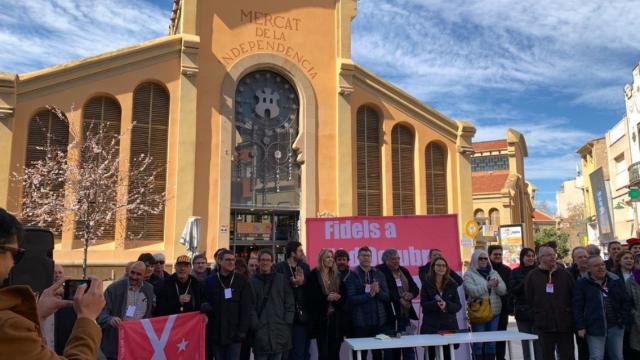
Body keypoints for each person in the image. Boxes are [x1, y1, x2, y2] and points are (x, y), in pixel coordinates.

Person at [0, 208, 106, 359]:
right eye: (16, 254)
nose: (13, 264)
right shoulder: (8, 326)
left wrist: (38, 314)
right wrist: (87, 318)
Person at [574, 255, 631, 360]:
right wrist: (580, 326)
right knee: (596, 357)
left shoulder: (615, 279)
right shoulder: (582, 283)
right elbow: (578, 306)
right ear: (589, 268)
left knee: (618, 356)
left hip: (616, 326)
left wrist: (623, 319)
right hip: (595, 327)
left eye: (602, 264)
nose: (601, 267)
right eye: (596, 266)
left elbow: (626, 301)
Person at [524, 246, 575, 360]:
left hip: (564, 323)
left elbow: (573, 295)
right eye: (549, 255)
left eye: (554, 254)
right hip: (544, 324)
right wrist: (537, 315)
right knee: (546, 355)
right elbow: (529, 297)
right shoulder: (532, 276)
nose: (553, 257)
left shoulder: (565, 274)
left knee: (567, 355)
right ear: (541, 258)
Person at [98, 261, 155, 360]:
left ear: (144, 275)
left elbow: (150, 315)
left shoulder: (149, 289)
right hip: (116, 343)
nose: (134, 276)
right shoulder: (114, 289)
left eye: (138, 274)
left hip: (138, 342)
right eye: (132, 272)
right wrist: (110, 319)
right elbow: (100, 313)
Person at [203, 250, 253, 360]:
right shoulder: (210, 280)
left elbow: (246, 307)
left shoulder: (242, 280)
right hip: (216, 333)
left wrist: (242, 331)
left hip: (235, 334)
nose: (231, 262)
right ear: (220, 261)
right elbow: (204, 301)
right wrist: (205, 307)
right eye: (227, 260)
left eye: (233, 260)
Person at [345, 246, 390, 360]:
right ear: (358, 257)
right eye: (363, 255)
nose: (366, 258)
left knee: (378, 354)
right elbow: (351, 299)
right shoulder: (352, 275)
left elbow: (386, 297)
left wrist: (378, 292)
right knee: (360, 354)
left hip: (378, 321)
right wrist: (369, 295)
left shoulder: (379, 274)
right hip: (360, 322)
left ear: (371, 258)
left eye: (368, 256)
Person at [250, 249, 294, 360]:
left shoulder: (281, 279)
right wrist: (255, 325)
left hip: (279, 330)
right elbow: (249, 307)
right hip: (260, 332)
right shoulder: (252, 282)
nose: (265, 263)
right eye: (263, 260)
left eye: (268, 260)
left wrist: (287, 322)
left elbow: (289, 303)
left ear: (272, 262)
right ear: (259, 262)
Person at [464, 249, 507, 359]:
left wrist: (496, 285)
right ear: (474, 259)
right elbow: (471, 291)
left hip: (494, 312)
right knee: (478, 344)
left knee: (491, 344)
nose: (483, 260)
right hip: (479, 313)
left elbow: (503, 291)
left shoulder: (493, 273)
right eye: (480, 258)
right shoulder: (469, 274)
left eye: (485, 258)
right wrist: (487, 285)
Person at [377, 248, 419, 360]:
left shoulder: (403, 270)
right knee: (390, 350)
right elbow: (385, 290)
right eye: (393, 259)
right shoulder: (380, 271)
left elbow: (415, 287)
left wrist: (411, 294)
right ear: (385, 260)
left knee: (408, 347)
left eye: (398, 258)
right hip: (389, 317)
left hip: (405, 316)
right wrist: (399, 299)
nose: (396, 261)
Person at [274, 241, 311, 360]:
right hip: (284, 314)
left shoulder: (305, 267)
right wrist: (290, 283)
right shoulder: (279, 267)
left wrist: (302, 282)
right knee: (286, 351)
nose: (302, 253)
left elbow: (310, 287)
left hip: (301, 315)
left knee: (301, 350)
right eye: (300, 251)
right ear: (292, 253)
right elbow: (276, 288)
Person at [420, 257, 461, 360]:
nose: (441, 268)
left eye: (444, 265)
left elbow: (458, 305)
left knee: (448, 355)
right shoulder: (426, 284)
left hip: (448, 325)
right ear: (433, 267)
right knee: (430, 354)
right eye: (438, 265)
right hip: (431, 326)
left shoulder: (452, 284)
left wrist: (446, 305)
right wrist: (436, 304)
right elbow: (424, 304)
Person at [307, 249, 344, 360]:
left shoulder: (337, 275)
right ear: (321, 259)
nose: (331, 259)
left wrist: (339, 297)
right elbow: (310, 297)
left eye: (331, 257)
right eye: (328, 257)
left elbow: (345, 295)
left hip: (336, 319)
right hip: (321, 320)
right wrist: (326, 298)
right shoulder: (313, 275)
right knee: (323, 354)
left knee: (335, 353)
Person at [509, 247, 540, 360]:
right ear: (522, 258)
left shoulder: (540, 271)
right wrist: (526, 280)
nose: (531, 258)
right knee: (526, 342)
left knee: (538, 343)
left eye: (532, 256)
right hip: (523, 311)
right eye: (528, 256)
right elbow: (513, 291)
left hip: (538, 312)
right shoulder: (515, 272)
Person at [488, 245, 512, 360]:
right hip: (487, 309)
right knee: (489, 337)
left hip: (503, 309)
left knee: (501, 335)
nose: (498, 256)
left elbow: (509, 290)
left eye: (499, 254)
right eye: (495, 254)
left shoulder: (507, 270)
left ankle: (501, 357)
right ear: (489, 255)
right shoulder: (485, 269)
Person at [567, 246, 590, 360]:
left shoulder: (595, 271)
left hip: (594, 316)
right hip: (577, 317)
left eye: (585, 256)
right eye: (580, 257)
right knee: (583, 348)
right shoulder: (568, 275)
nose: (583, 259)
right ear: (574, 260)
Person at [234, 257, 252, 360]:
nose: (238, 271)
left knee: (244, 352)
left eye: (240, 268)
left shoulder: (248, 282)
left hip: (245, 326)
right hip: (234, 326)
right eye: (236, 268)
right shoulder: (229, 282)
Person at [625, 253, 640, 357]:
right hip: (637, 323)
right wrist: (636, 316)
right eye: (638, 262)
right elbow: (628, 303)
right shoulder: (630, 281)